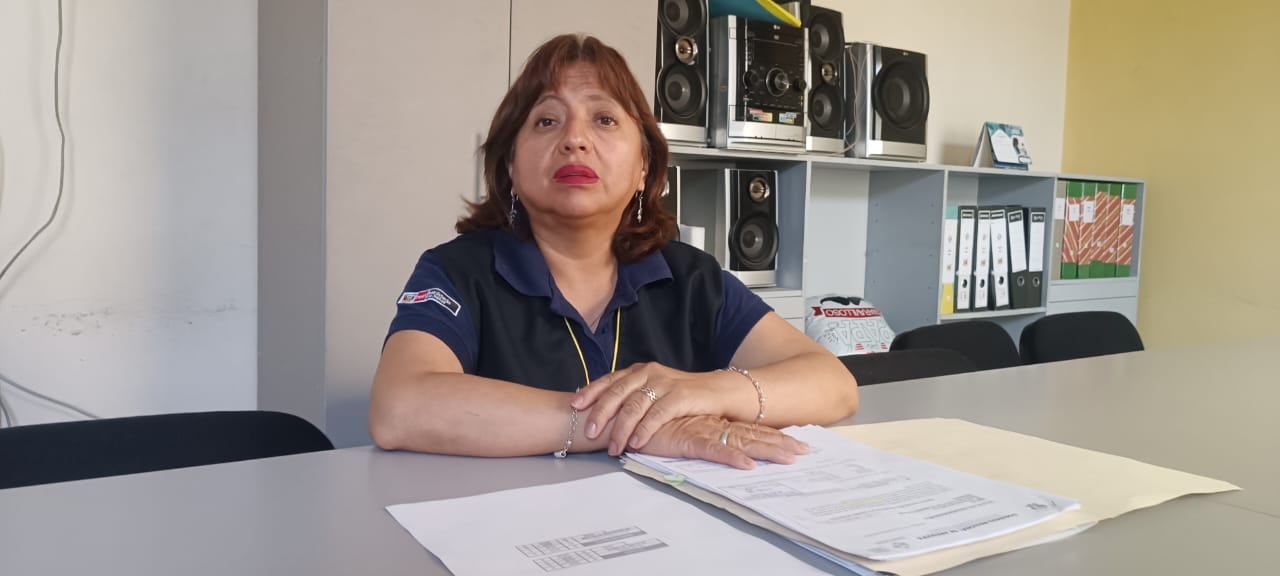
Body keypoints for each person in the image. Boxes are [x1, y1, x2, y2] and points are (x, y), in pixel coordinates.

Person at [369, 34, 859, 470]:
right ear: (511, 167)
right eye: (546, 121)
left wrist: (699, 393)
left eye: (604, 119)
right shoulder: (457, 271)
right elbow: (400, 407)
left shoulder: (689, 277)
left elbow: (833, 385)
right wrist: (632, 427)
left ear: (644, 166)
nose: (574, 140)